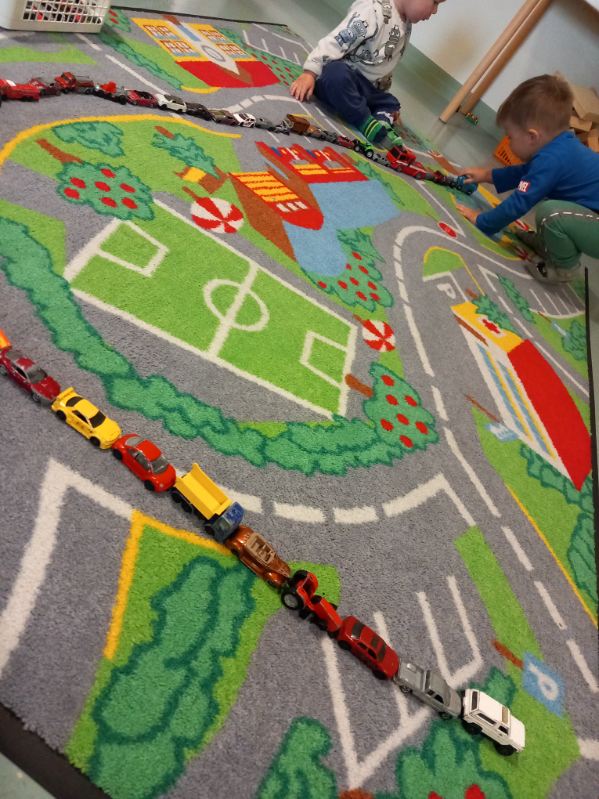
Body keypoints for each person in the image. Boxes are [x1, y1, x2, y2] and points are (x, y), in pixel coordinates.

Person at [456, 74, 599, 283]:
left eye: (510, 136)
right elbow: (525, 173)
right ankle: (546, 244)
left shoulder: (552, 160)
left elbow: (519, 203)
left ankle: (564, 268)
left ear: (532, 136)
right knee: (554, 210)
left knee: (551, 213)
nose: (508, 142)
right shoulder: (559, 146)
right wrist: (487, 175)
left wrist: (482, 221)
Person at [290, 0, 445, 149]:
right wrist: (310, 73)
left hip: (367, 88)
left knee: (392, 103)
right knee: (335, 75)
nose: (435, 11)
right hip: (345, 78)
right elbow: (337, 40)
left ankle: (380, 119)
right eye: (435, 2)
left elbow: (384, 65)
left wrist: (382, 92)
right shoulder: (372, 10)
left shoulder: (406, 24)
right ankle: (364, 121)